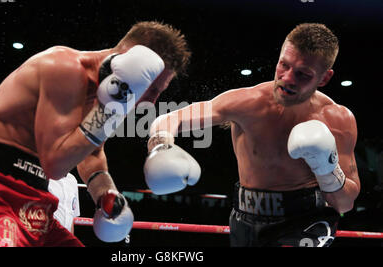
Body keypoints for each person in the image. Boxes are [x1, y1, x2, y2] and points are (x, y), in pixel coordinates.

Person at [0, 21, 191, 246]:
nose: (152, 100)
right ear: (130, 63)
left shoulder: (105, 96)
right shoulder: (64, 67)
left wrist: (106, 195)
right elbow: (55, 165)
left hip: (38, 205)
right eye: (151, 87)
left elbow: (91, 154)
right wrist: (110, 111)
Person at [144, 23, 360, 247]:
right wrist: (161, 146)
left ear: (324, 79)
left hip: (306, 221)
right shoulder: (246, 104)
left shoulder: (337, 120)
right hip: (245, 219)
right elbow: (170, 119)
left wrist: (327, 168)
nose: (287, 78)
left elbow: (344, 204)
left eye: (302, 74)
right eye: (283, 65)